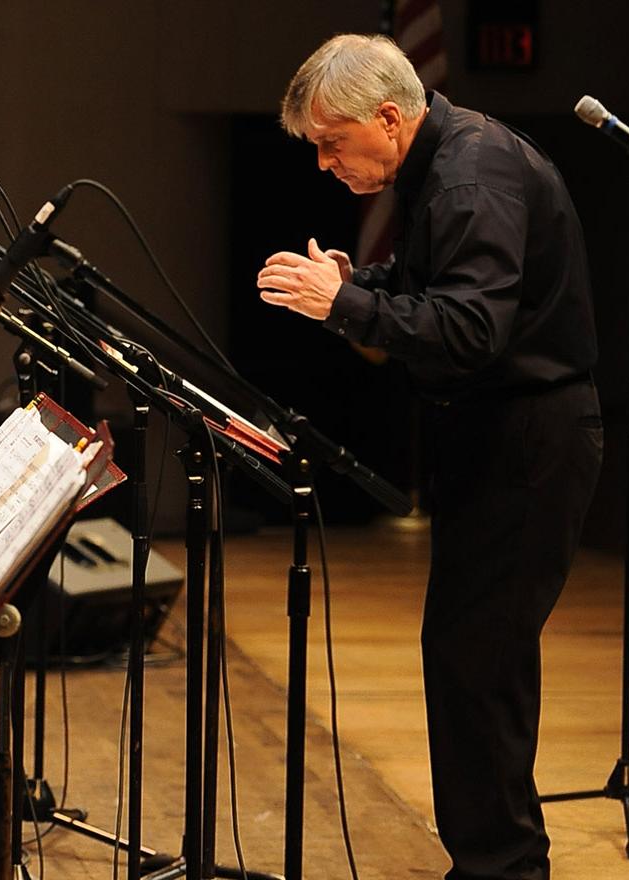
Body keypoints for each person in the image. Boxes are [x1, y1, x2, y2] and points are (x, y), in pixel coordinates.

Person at [257, 34, 603, 880]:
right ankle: (491, 863)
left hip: (526, 440)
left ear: (387, 116)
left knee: (479, 667)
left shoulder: (470, 177)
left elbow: (469, 333)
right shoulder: (449, 162)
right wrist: (360, 287)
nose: (324, 164)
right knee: (467, 660)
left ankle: (505, 868)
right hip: (503, 438)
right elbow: (437, 291)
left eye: (332, 144)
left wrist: (345, 305)